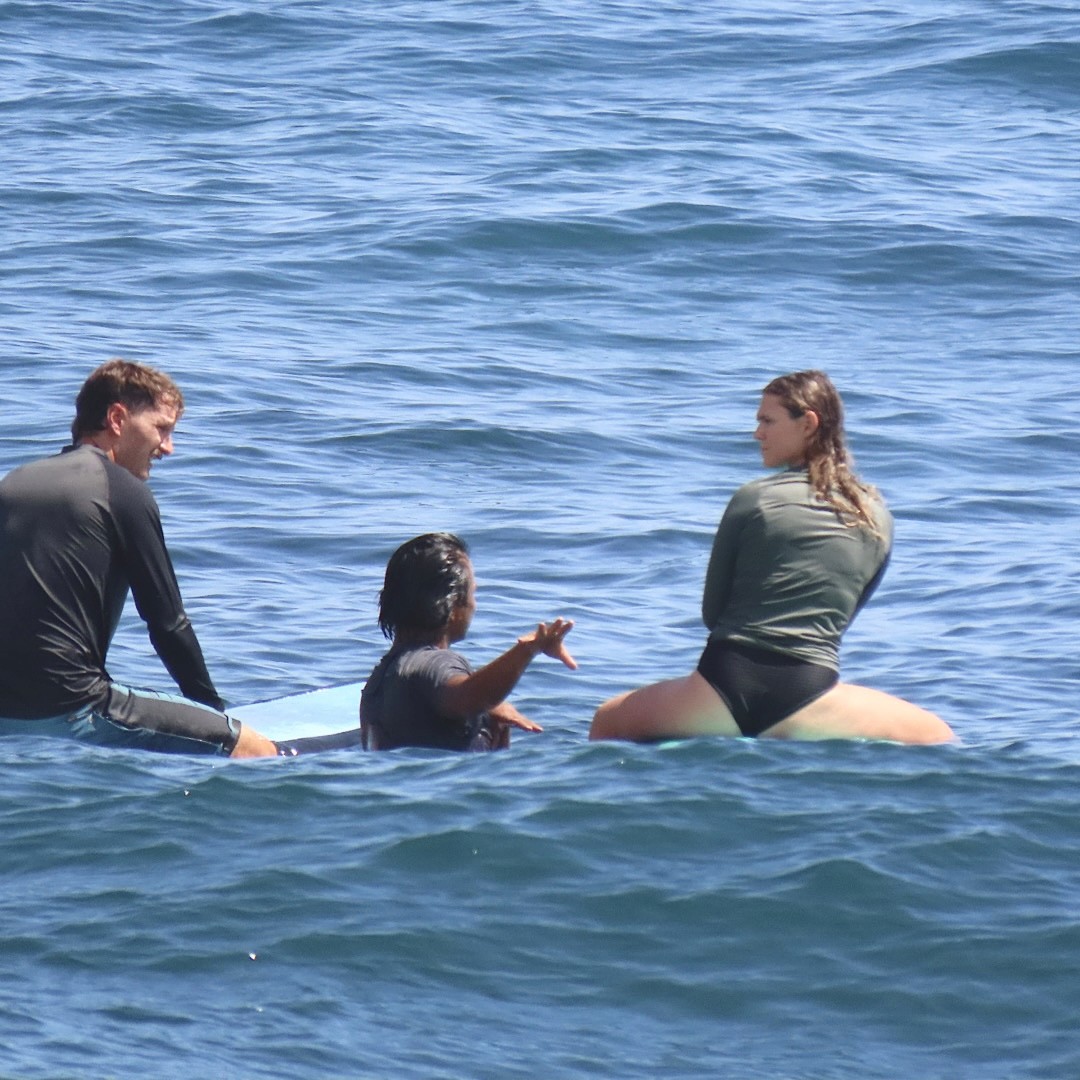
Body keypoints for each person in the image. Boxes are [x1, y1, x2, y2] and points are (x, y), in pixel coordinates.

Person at [590, 370, 954, 745]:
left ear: (808, 423)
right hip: (812, 698)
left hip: (717, 690)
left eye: (767, 420)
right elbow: (843, 619)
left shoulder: (754, 498)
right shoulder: (876, 517)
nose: (757, 433)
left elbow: (713, 614)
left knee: (606, 722)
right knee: (940, 738)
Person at [0, 359, 279, 758]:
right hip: (73, 707)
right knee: (255, 749)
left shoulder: (13, 482)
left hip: (5, 714)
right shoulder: (121, 490)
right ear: (117, 418)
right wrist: (217, 718)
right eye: (161, 429)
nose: (168, 447)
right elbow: (167, 623)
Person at [360, 532, 576, 751]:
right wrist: (529, 649)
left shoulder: (378, 682)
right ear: (453, 605)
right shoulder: (434, 664)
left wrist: (485, 714)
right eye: (473, 593)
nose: (475, 605)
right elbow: (467, 696)